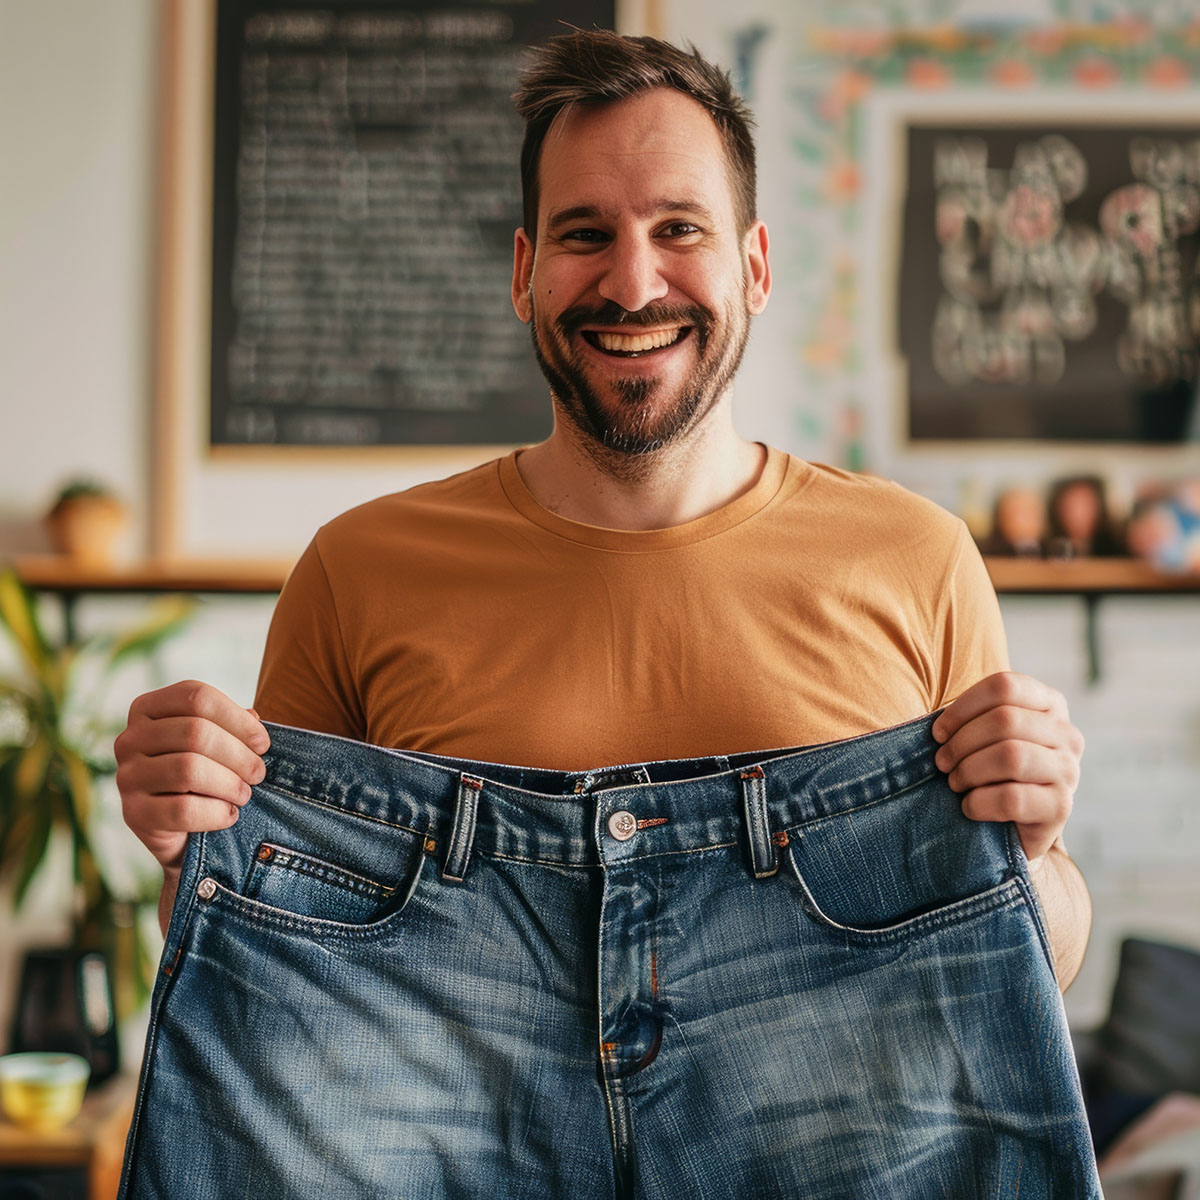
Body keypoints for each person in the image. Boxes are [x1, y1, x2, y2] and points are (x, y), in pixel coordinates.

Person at [115, 30, 1093, 1192]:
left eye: (678, 229)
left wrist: (1025, 838)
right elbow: (269, 946)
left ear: (757, 266)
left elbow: (1039, 941)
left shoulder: (916, 555)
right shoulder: (358, 568)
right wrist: (187, 831)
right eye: (587, 235)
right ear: (524, 267)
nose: (633, 284)